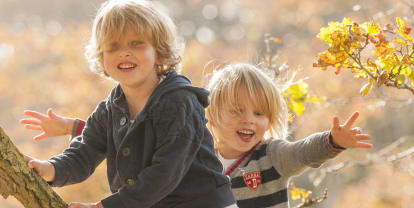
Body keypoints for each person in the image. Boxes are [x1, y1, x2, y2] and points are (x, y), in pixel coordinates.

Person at [24, 63, 373, 208]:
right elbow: (133, 138)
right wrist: (73, 127)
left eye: (259, 113)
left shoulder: (272, 154)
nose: (248, 120)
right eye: (236, 110)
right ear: (211, 113)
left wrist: (334, 142)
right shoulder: (193, 150)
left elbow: (303, 152)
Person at [21, 0, 236, 207]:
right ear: (102, 58)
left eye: (136, 44)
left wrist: (104, 206)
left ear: (159, 53)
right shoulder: (109, 109)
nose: (124, 52)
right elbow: (83, 154)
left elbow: (165, 173)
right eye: (113, 46)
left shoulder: (179, 101)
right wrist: (49, 168)